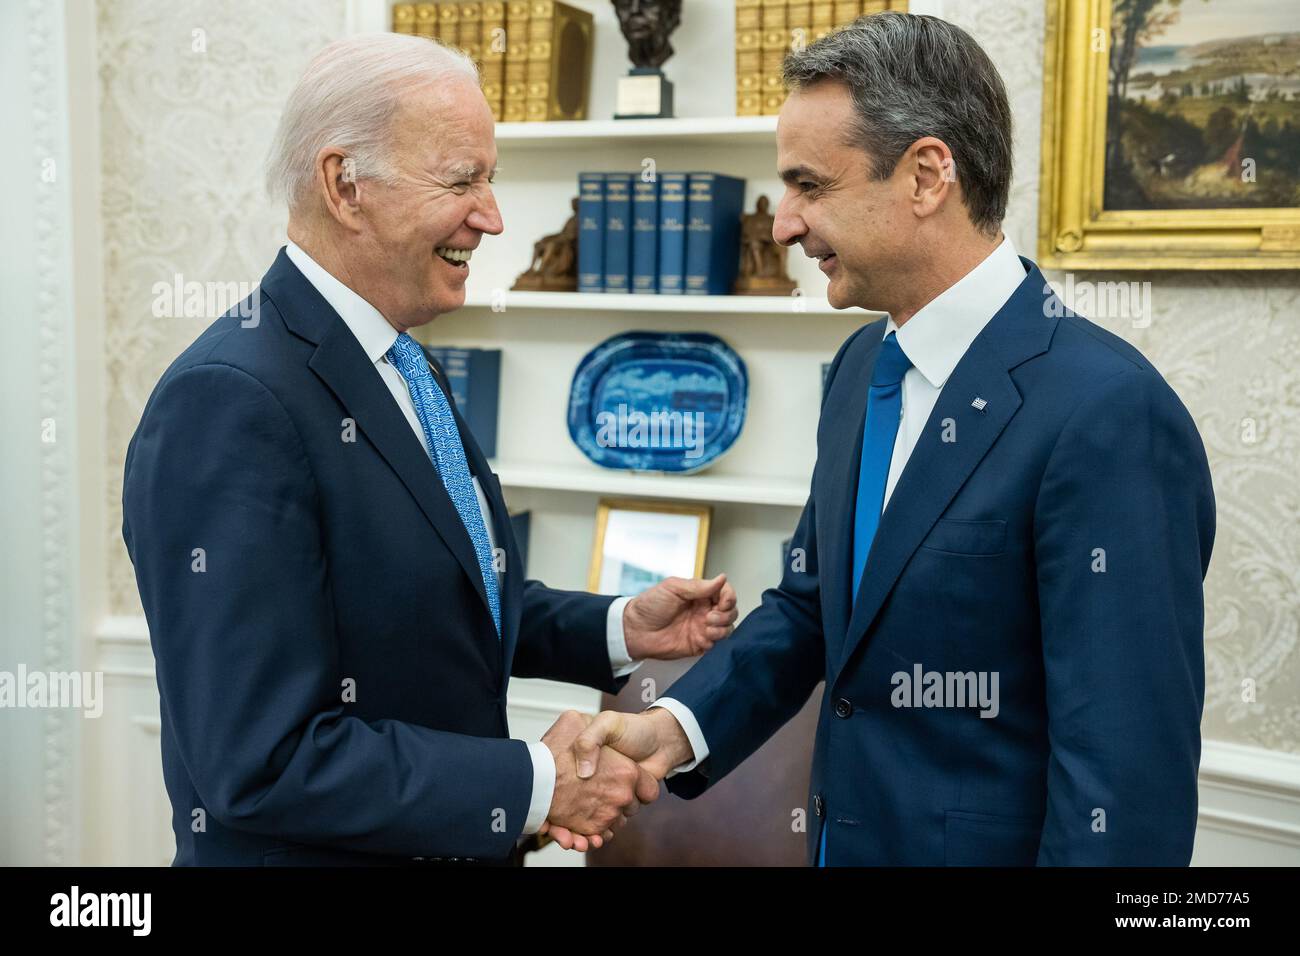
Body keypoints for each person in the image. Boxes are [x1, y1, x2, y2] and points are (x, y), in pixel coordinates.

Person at [563, 12, 1216, 866]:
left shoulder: (1109, 414)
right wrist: (672, 729)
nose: (784, 225)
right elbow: (814, 607)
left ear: (926, 175)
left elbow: (1125, 790)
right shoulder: (860, 366)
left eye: (809, 185)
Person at [121, 33, 737, 866]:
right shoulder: (230, 402)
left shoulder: (401, 361)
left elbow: (438, 605)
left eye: (491, 178)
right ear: (346, 186)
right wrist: (535, 782)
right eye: (462, 180)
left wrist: (620, 627)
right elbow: (260, 760)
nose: (492, 216)